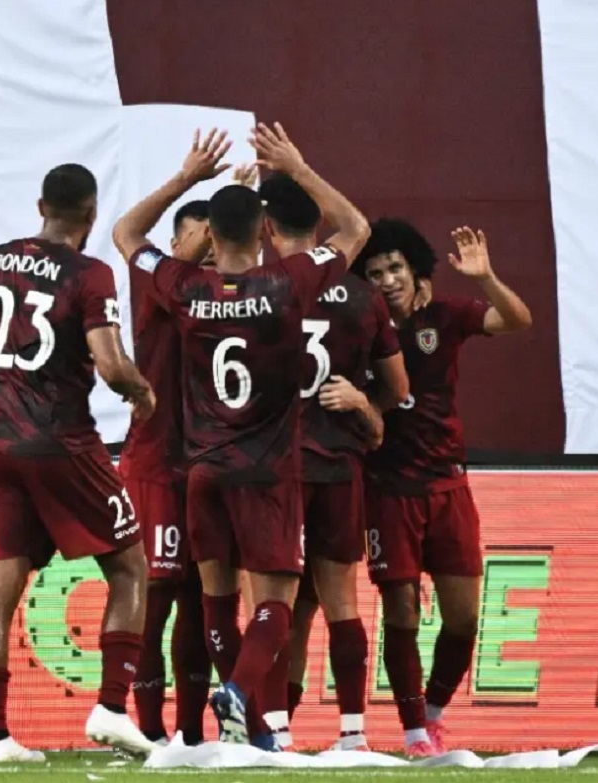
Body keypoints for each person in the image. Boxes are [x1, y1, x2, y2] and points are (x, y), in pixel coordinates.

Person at [112, 124, 371, 746]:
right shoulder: (286, 284)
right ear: (262, 232)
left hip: (202, 470)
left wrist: (186, 178)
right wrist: (299, 167)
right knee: (275, 603)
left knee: (216, 602)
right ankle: (237, 695)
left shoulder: (184, 286)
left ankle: (241, 727)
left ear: (210, 234)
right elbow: (356, 229)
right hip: (267, 470)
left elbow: (125, 235)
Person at [0, 164, 158, 763]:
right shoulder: (90, 275)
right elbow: (111, 364)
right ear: (90, 217)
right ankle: (113, 708)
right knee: (129, 568)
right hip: (60, 443)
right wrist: (141, 392)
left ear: (41, 205)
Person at [351, 219, 532, 755]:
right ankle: (412, 734)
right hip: (387, 488)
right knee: (401, 610)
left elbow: (518, 319)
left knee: (464, 618)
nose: (387, 279)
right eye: (376, 272)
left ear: (414, 270)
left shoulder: (445, 316)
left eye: (395, 268)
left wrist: (487, 276)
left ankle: (432, 715)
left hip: (448, 486)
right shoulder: (357, 327)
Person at [255, 173, 410, 750]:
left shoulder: (259, 288)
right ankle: (353, 733)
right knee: (341, 602)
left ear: (267, 227)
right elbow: (397, 386)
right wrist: (365, 406)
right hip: (339, 463)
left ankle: (274, 732)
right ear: (320, 225)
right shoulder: (364, 297)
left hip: (274, 468)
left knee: (272, 604)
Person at [113, 198, 214, 747]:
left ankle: (193, 737)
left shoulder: (231, 292)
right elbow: (125, 231)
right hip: (154, 467)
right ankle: (150, 732)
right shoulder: (158, 281)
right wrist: (192, 183)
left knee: (201, 603)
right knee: (152, 601)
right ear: (178, 241)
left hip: (211, 472)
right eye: (205, 233)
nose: (215, 243)